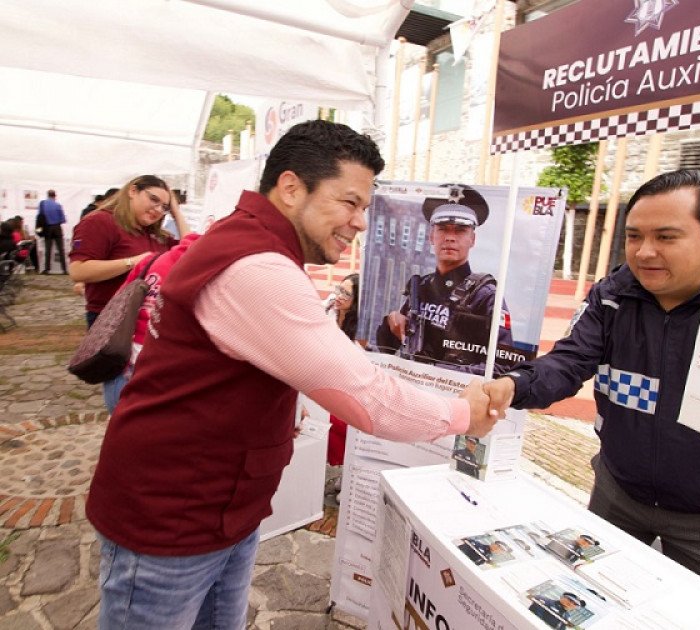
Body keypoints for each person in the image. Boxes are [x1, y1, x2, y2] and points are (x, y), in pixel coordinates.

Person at [86, 120, 496, 630]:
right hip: (170, 517)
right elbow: (364, 395)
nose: (361, 222)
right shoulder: (258, 266)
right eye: (349, 202)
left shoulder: (252, 243)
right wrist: (464, 413)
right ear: (290, 188)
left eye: (364, 207)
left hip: (219, 509)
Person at [483, 170, 700, 604]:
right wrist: (513, 385)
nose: (645, 252)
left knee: (686, 616)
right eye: (634, 236)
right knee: (590, 603)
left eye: (666, 237)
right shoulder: (612, 295)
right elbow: (569, 361)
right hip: (617, 495)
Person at [375, 184, 514, 373]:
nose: (450, 238)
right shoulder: (421, 287)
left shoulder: (485, 295)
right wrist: (390, 324)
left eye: (460, 230)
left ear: (472, 239)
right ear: (432, 236)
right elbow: (389, 348)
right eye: (442, 229)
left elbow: (503, 365)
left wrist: (438, 373)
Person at [101, 233, 201, 413]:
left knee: (120, 428)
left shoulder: (151, 260)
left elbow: (118, 304)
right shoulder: (202, 272)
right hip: (161, 371)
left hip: (124, 362)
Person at [69, 175, 187, 327]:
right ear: (132, 191)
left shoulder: (156, 234)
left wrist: (176, 212)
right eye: (153, 199)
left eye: (164, 207)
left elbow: (189, 249)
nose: (158, 209)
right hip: (110, 317)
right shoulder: (100, 222)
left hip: (147, 317)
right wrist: (133, 262)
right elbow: (78, 271)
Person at [322, 272, 361, 501]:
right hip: (326, 382)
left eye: (346, 293)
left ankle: (350, 478)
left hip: (348, 386)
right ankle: (344, 473)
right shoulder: (329, 310)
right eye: (339, 289)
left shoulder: (360, 327)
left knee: (346, 428)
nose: (339, 296)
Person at [36, 189, 67, 274]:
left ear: (48, 195)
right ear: (55, 196)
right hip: (57, 228)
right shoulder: (58, 205)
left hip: (47, 228)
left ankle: (47, 269)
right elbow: (63, 219)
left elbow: (39, 218)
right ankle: (64, 269)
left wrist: (39, 230)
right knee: (61, 249)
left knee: (48, 249)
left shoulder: (42, 204)